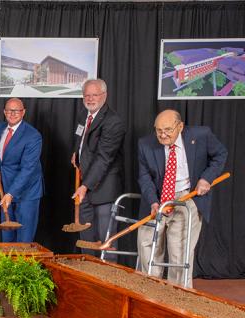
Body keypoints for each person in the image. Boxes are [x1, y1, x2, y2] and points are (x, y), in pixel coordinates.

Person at [136, 110, 227, 287]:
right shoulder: (145, 144)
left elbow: (220, 154)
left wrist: (206, 178)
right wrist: (154, 202)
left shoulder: (201, 135)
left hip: (186, 196)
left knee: (179, 250)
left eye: (168, 130)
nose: (163, 135)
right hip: (157, 197)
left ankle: (177, 295)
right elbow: (144, 176)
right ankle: (149, 290)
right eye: (158, 130)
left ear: (180, 126)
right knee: (147, 244)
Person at [70, 79, 125, 257]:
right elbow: (81, 140)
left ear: (104, 96)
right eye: (86, 95)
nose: (90, 99)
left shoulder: (113, 122)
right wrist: (76, 154)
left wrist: (85, 186)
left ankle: (106, 279)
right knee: (87, 239)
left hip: (104, 190)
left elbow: (103, 158)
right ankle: (89, 276)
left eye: (94, 95)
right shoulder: (82, 115)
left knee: (106, 240)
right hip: (84, 186)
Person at [0, 97, 43, 243]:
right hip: (6, 187)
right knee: (7, 235)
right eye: (9, 110)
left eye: (16, 111)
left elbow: (28, 169)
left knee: (24, 238)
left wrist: (11, 193)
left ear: (23, 112)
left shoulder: (33, 136)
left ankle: (23, 265)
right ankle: (7, 265)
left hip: (27, 191)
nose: (12, 113)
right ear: (4, 111)